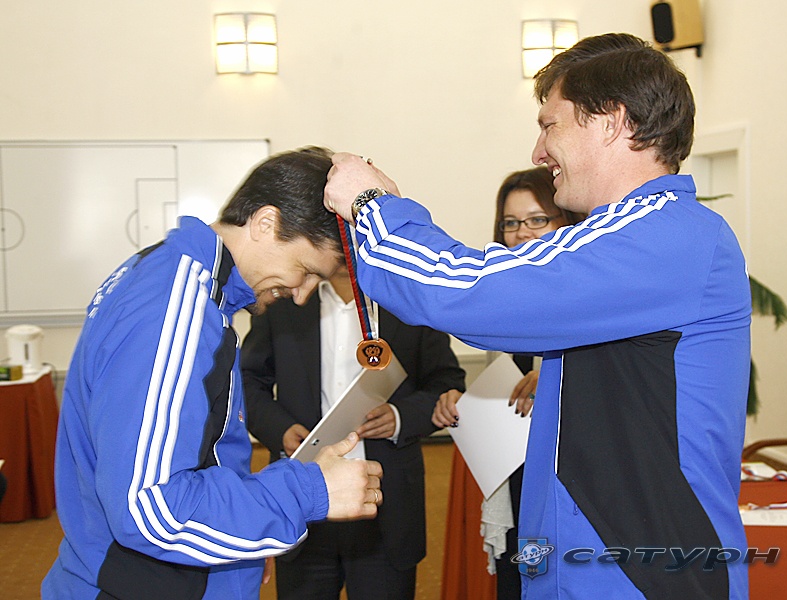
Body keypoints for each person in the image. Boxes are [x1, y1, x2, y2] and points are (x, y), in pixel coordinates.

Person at [324, 33, 751, 600]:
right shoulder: (625, 238)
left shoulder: (669, 235)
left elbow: (469, 289)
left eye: (551, 126)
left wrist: (370, 206)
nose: (538, 152)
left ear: (612, 122)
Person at [42, 147, 384, 600]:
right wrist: (306, 493)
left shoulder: (183, 283)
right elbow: (150, 511)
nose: (301, 295)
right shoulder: (175, 308)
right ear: (266, 223)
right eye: (305, 270)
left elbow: (195, 457)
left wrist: (247, 531)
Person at [241, 262, 466, 600]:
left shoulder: (407, 301)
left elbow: (447, 382)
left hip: (385, 503)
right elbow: (248, 382)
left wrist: (401, 417)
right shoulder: (285, 303)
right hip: (304, 496)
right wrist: (281, 429)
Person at [435, 167, 585, 600]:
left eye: (537, 219)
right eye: (511, 223)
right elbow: (503, 388)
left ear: (566, 220)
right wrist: (461, 402)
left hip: (571, 482)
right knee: (515, 580)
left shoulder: (587, 293)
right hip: (513, 472)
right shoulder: (501, 300)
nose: (522, 233)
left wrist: (558, 376)